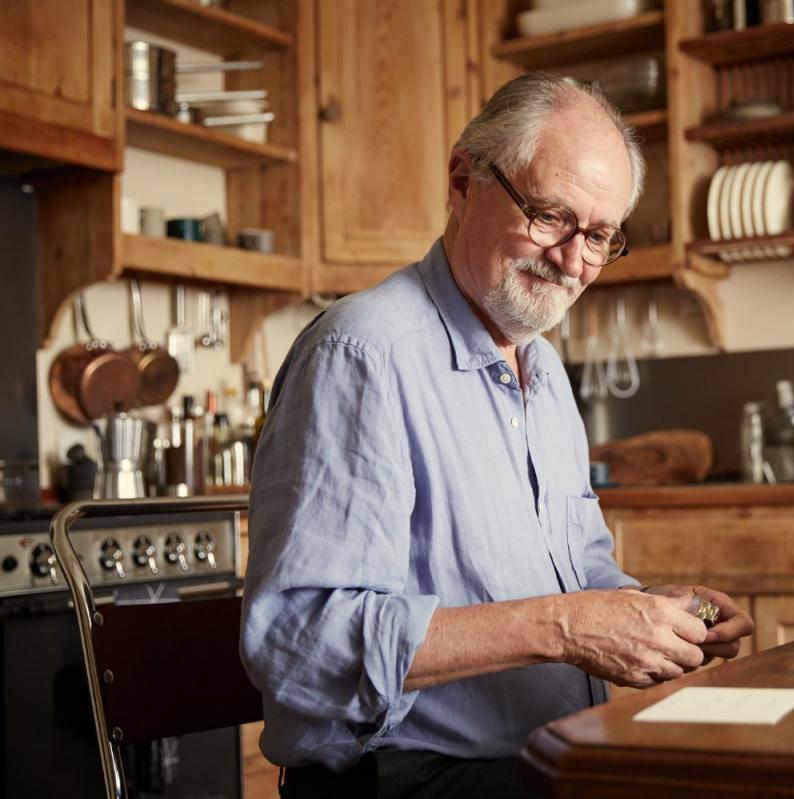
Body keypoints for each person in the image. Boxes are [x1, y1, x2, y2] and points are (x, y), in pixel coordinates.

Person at [240, 73, 753, 799]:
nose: (575, 261)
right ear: (463, 179)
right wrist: (569, 625)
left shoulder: (541, 372)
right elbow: (299, 639)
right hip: (403, 780)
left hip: (543, 761)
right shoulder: (362, 354)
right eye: (551, 216)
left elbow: (581, 574)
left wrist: (653, 614)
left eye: (599, 236)